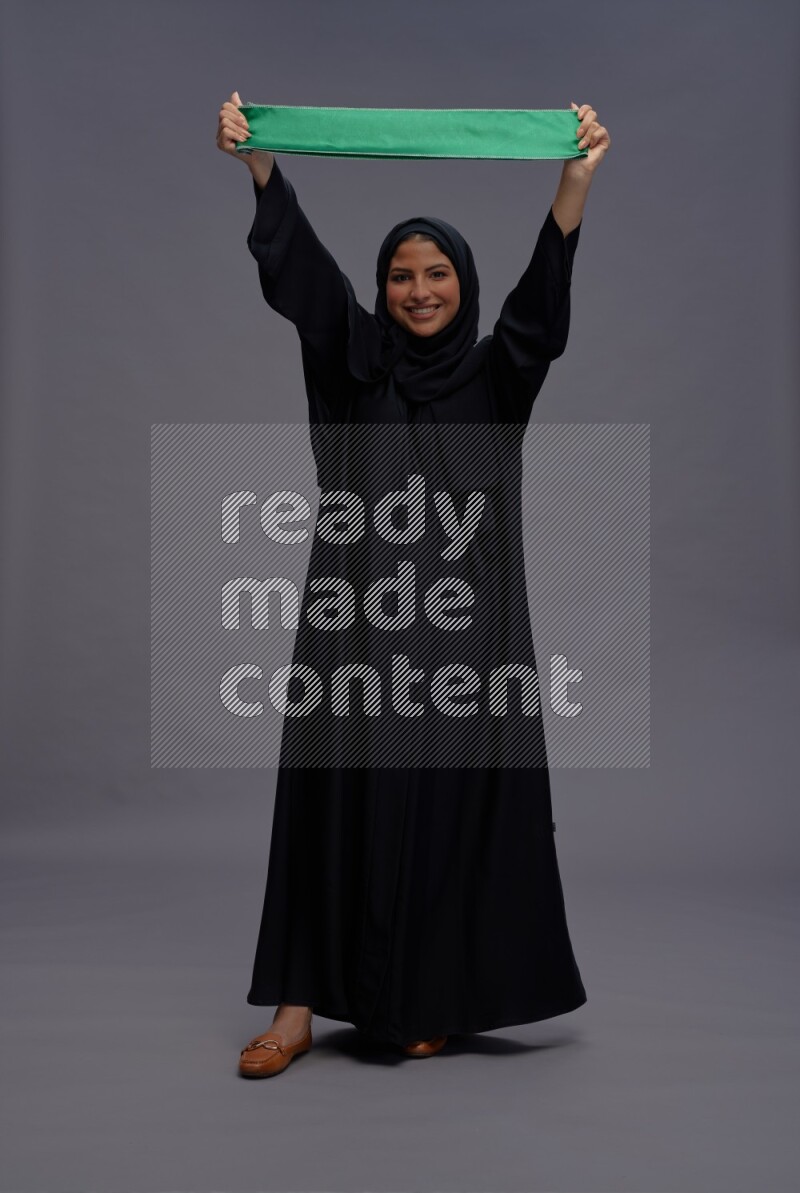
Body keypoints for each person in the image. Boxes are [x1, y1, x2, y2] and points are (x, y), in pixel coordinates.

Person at [216, 91, 611, 1078]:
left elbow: (538, 315)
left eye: (436, 274)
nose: (418, 289)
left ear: (459, 286)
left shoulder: (493, 380)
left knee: (442, 813)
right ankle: (296, 1007)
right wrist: (259, 167)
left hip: (461, 651)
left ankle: (419, 996)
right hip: (349, 629)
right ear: (382, 288)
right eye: (400, 274)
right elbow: (304, 285)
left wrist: (572, 184)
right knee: (330, 804)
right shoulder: (353, 365)